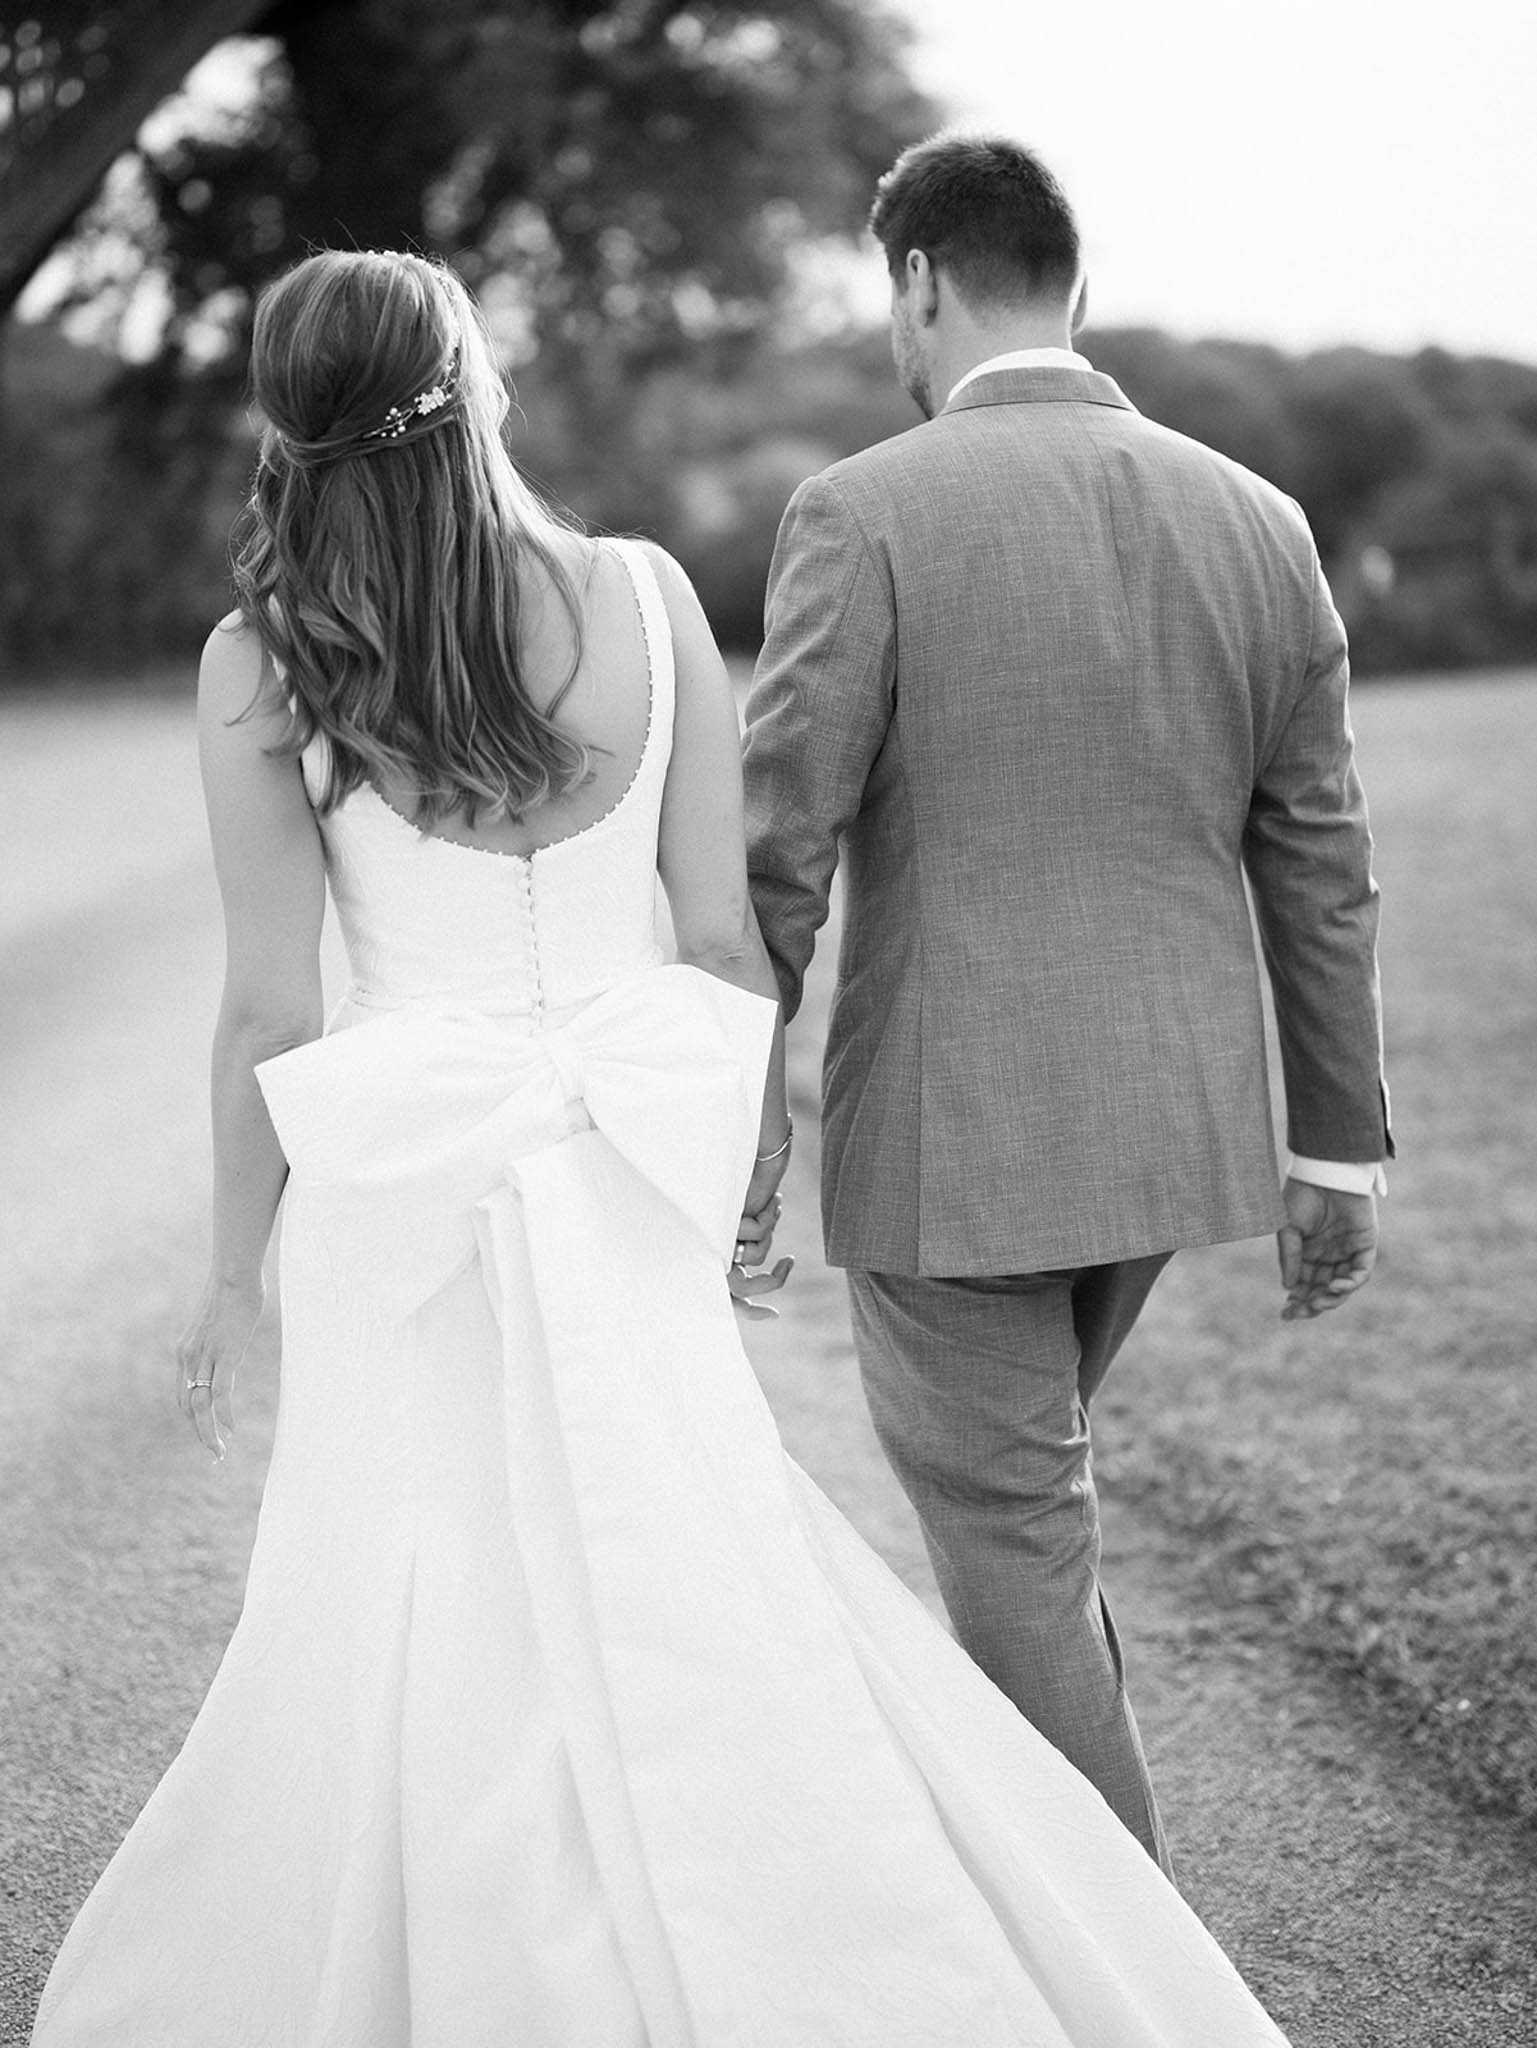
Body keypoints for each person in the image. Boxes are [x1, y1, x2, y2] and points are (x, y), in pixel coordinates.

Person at [32, 247, 1294, 2047]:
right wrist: (730, 1188)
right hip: (625, 1170)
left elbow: (266, 1016)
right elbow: (719, 938)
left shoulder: (270, 661)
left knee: (408, 1592)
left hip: (407, 1204)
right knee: (687, 1568)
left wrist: (238, 1273)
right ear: (475, 385)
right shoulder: (637, 597)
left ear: (281, 419)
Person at [742, 134, 1392, 1875]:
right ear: (1068, 281)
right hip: (1169, 1133)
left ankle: (1134, 1969)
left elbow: (776, 851)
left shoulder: (859, 510)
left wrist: (740, 1101)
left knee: (1016, 1546)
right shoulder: (1258, 521)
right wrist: (1337, 1150)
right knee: (1035, 1518)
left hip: (956, 1147)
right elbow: (1317, 856)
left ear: (922, 283)